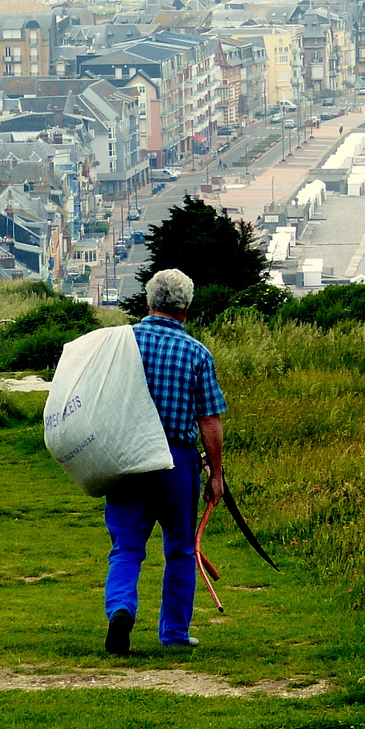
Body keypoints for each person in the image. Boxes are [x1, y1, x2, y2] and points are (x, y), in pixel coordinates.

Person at [102, 268, 227, 654]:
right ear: (186, 308)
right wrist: (216, 474)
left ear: (148, 302)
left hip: (128, 458)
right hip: (177, 459)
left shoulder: (119, 344)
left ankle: (121, 608)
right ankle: (173, 634)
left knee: (126, 546)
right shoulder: (197, 354)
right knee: (180, 550)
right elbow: (209, 421)